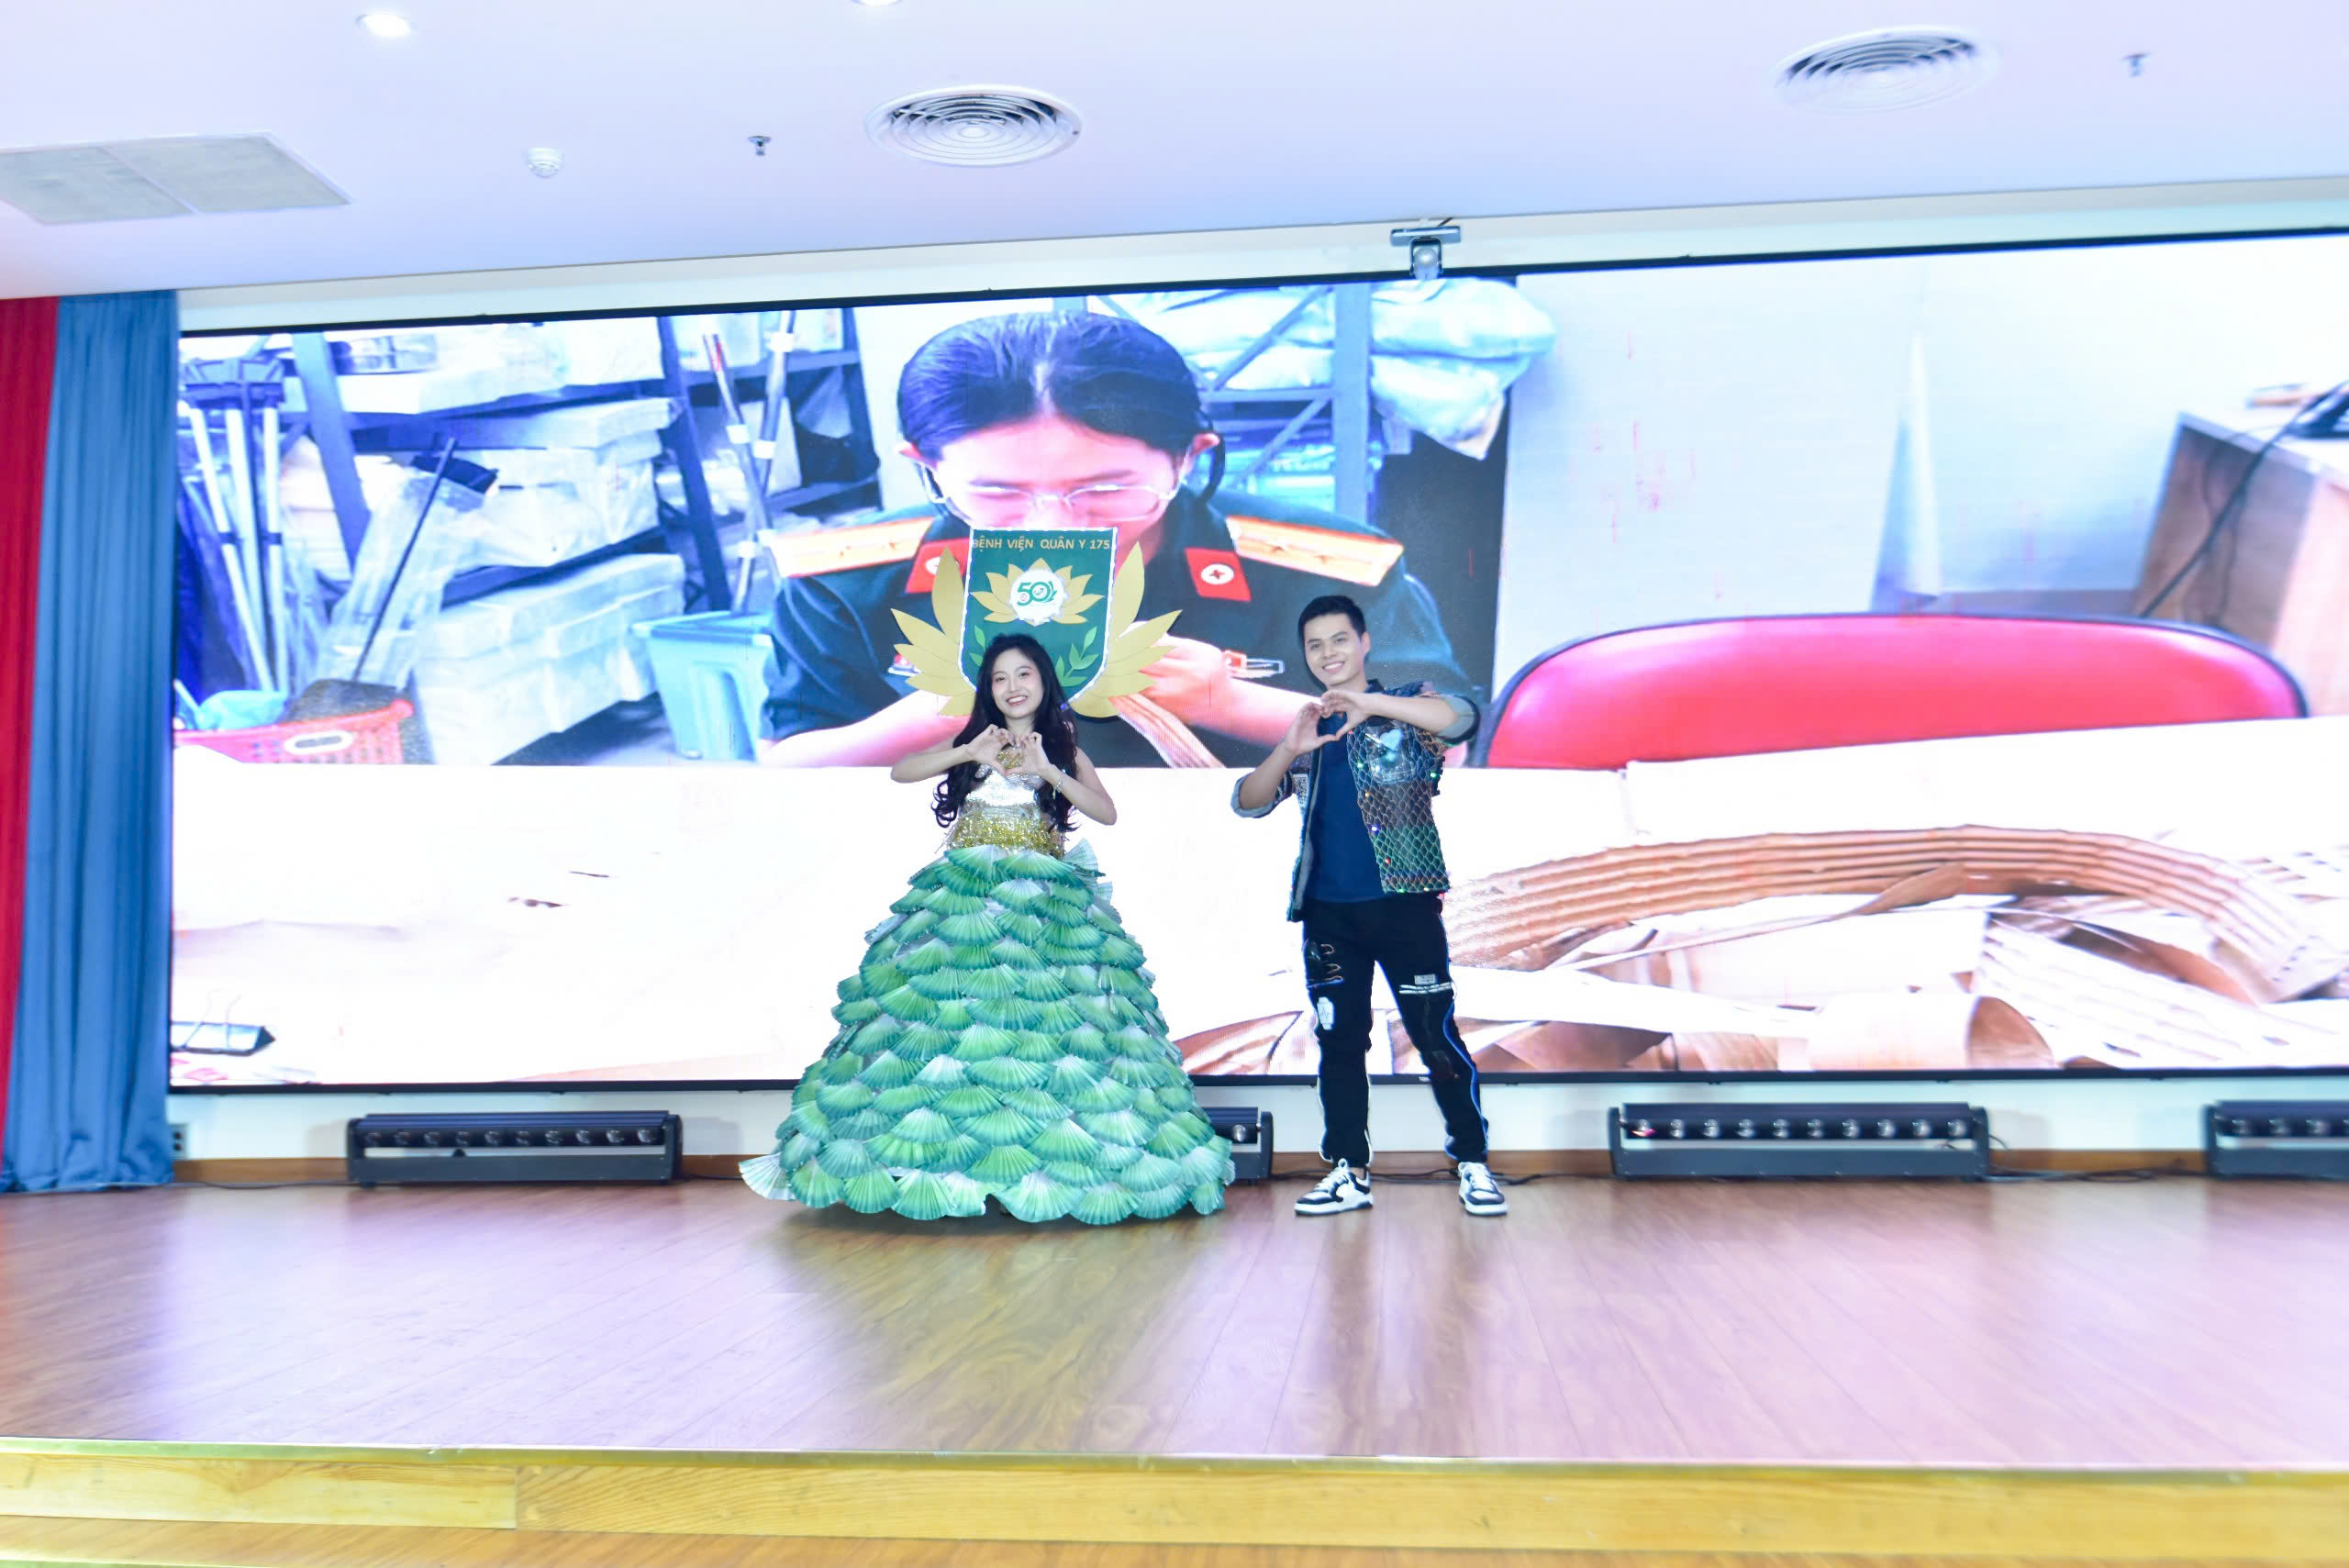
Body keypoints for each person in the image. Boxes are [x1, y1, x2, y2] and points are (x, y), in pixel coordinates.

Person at [758, 310, 1471, 769]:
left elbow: (1442, 749)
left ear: (1188, 458)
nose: (1052, 525)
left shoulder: (1323, 567)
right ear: (925, 466)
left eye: (1105, 489)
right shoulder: (849, 579)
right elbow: (786, 765)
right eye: (998, 493)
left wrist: (1231, 702)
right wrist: (942, 711)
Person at [741, 632, 1233, 1223]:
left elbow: (1105, 812)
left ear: (1044, 681)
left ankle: (1047, 1170)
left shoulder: (1063, 748)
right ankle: (944, 1172)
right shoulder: (975, 742)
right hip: (965, 898)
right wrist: (967, 753)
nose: (1012, 687)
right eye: (999, 678)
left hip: (1043, 907)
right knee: (946, 1026)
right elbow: (902, 771)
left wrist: (1048, 769)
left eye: (1023, 674)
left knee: (1051, 1029)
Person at [1230, 595, 1505, 1218]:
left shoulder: (1405, 708)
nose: (1328, 653)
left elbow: (1462, 717)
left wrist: (1371, 705)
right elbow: (1248, 801)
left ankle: (1473, 1161)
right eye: (1315, 645)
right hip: (1328, 916)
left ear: (1364, 642)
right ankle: (1348, 1171)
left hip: (1405, 907)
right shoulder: (1310, 730)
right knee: (1339, 1044)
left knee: (1435, 1037)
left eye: (1339, 640)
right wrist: (1289, 745)